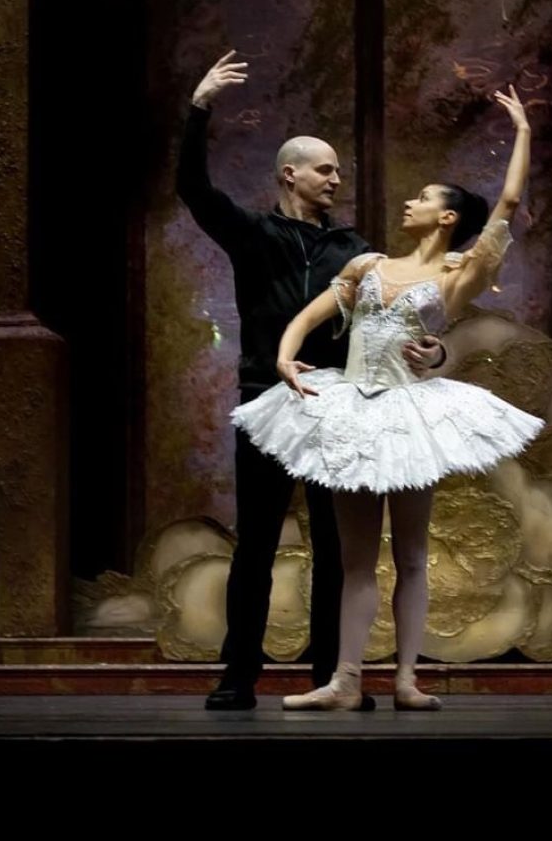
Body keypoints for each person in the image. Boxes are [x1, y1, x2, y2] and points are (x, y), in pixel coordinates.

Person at [232, 85, 545, 711]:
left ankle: (405, 678)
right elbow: (311, 312)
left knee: (410, 553)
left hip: (408, 413)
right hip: (354, 406)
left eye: (424, 197)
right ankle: (346, 680)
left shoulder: (456, 275)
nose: (411, 200)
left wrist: (523, 131)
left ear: (448, 218)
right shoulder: (368, 265)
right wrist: (284, 353)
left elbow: (507, 203)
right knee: (352, 558)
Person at [177, 52, 445, 711]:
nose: (337, 177)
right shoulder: (254, 233)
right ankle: (239, 674)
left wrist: (426, 353)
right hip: (267, 401)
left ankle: (334, 674)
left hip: (336, 405)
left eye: (339, 169)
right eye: (326, 169)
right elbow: (193, 190)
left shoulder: (351, 249)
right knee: (258, 543)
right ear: (289, 174)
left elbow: (383, 319)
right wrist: (199, 108)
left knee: (337, 547)